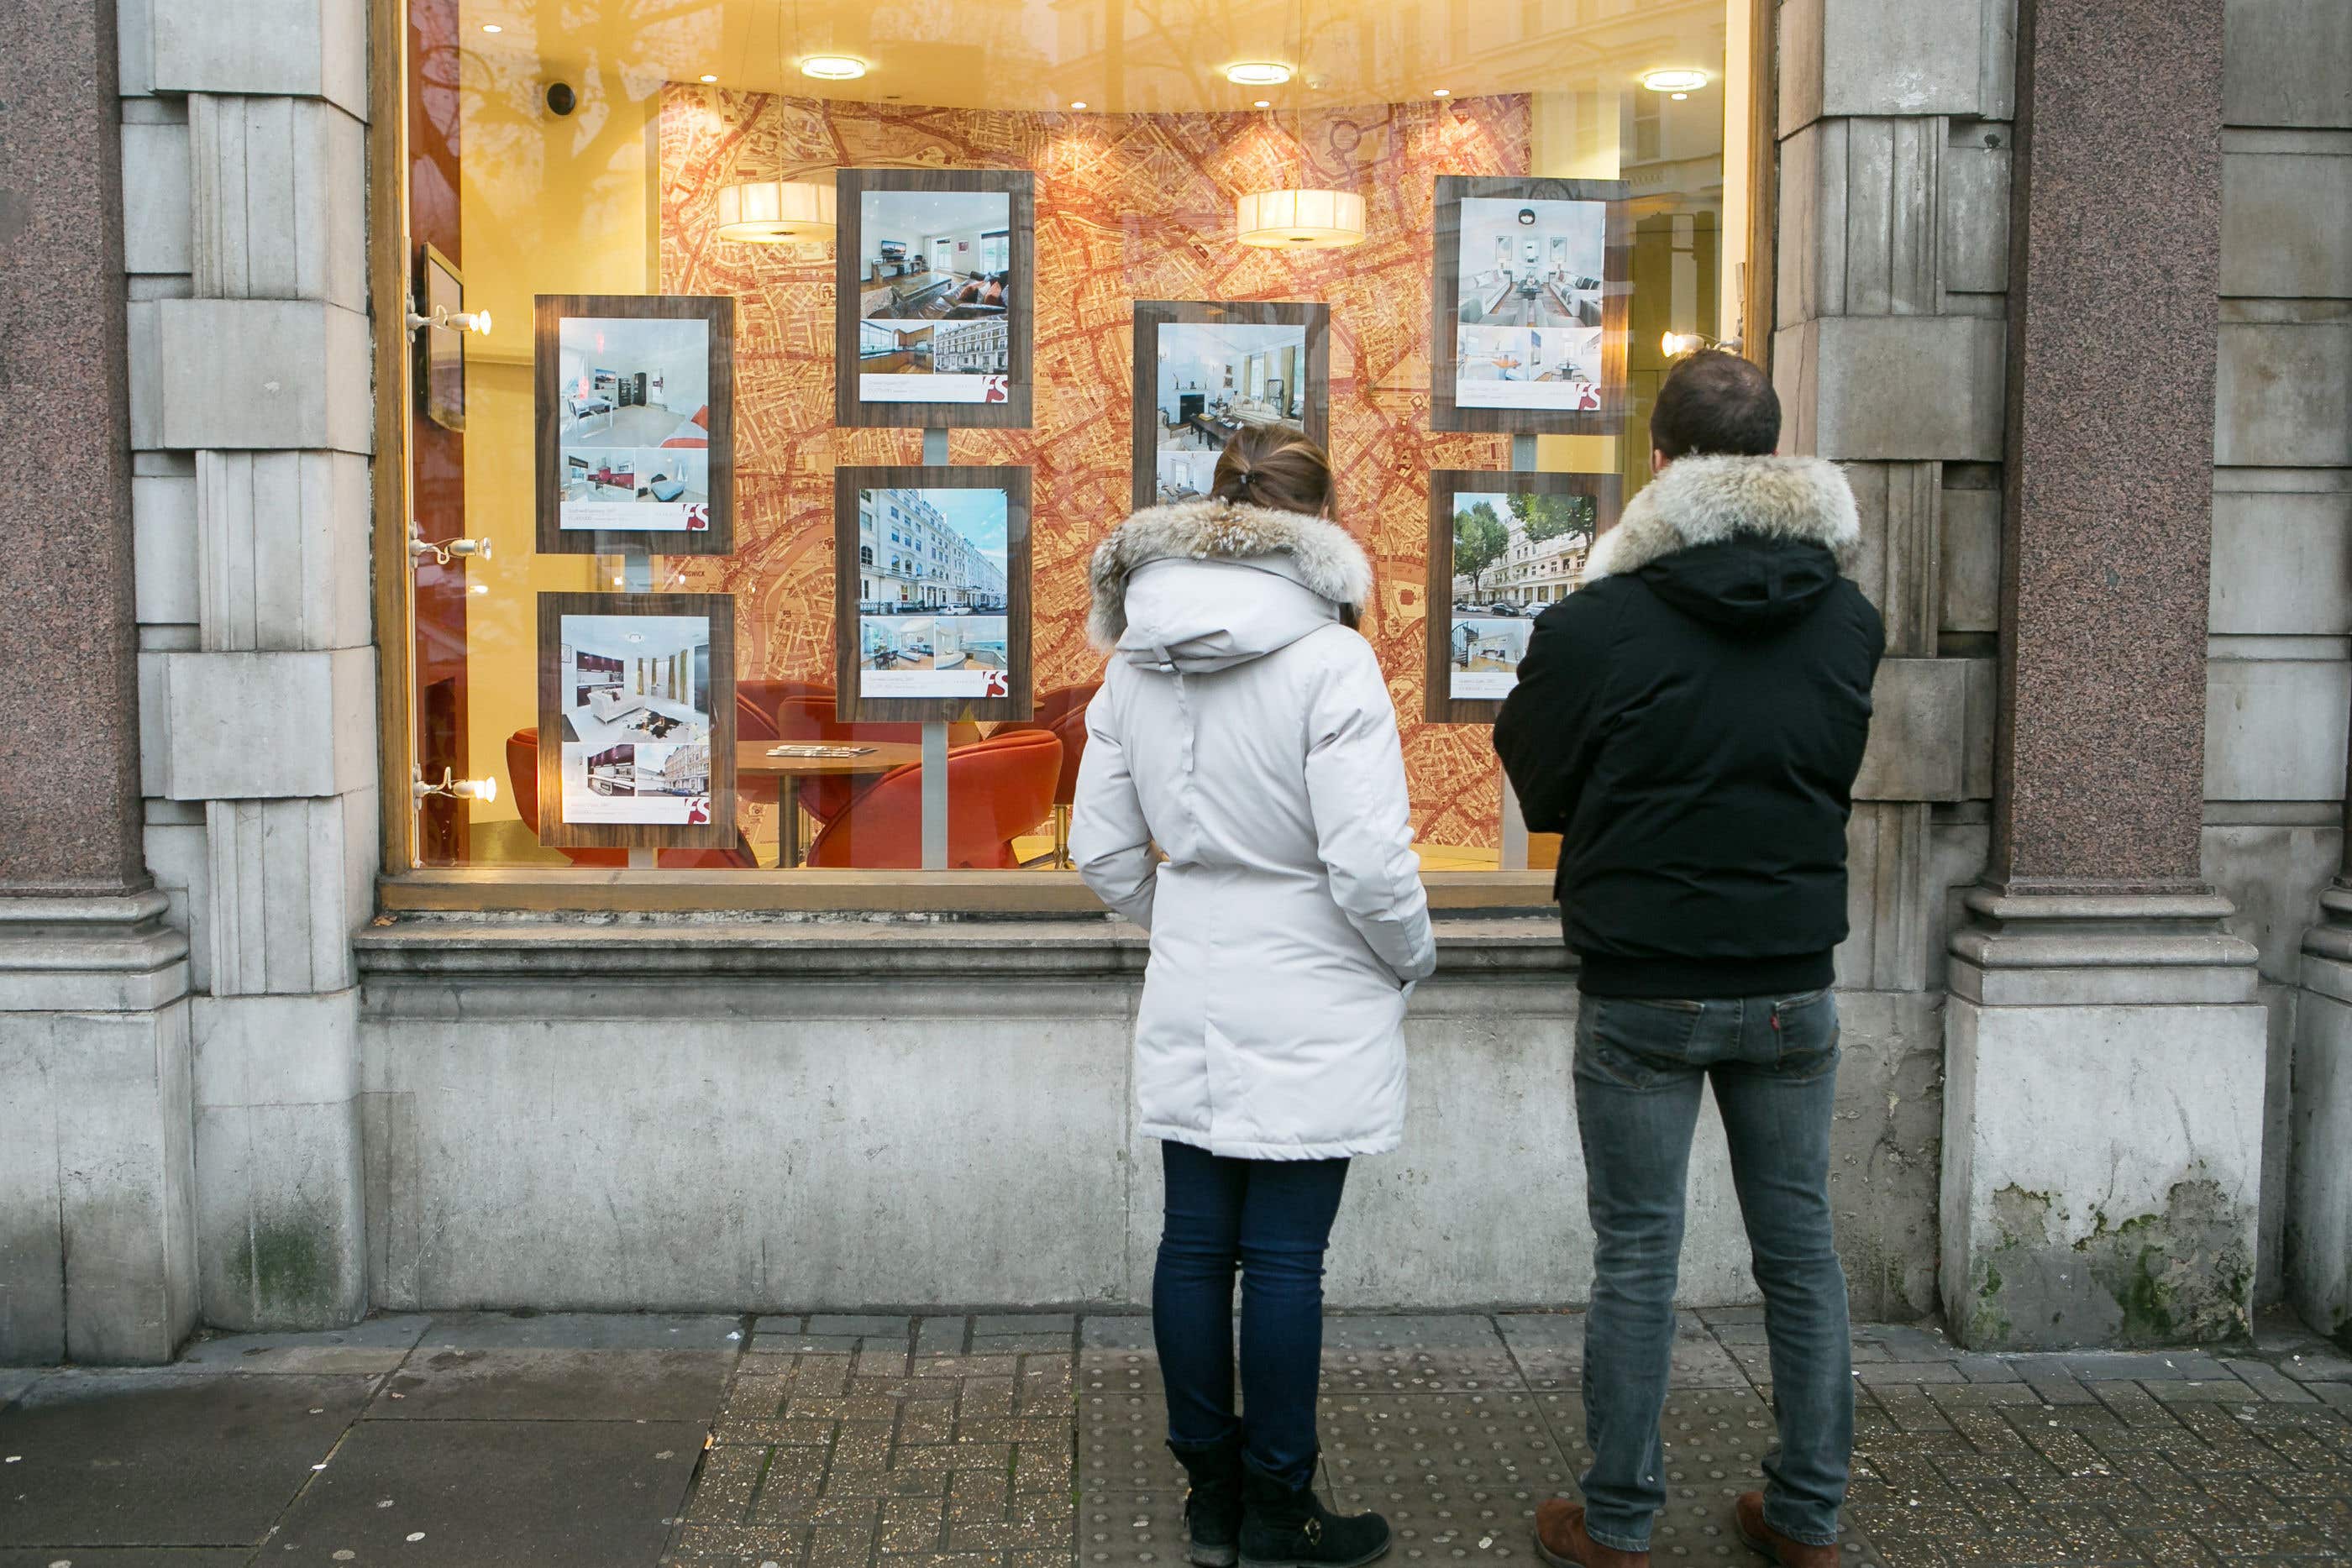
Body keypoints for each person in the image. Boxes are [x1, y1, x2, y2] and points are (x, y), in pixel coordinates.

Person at [1493, 351, 1883, 1568]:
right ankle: (1808, 1518)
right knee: (1802, 1251)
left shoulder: (1595, 624)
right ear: (1773, 457)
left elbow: (1540, 783)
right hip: (1790, 978)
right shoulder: (1848, 618)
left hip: (1643, 980)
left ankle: (1618, 1524)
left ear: (1657, 462)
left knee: (1638, 1257)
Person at [1072, 424, 1436, 1568]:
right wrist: (1409, 956)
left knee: (1192, 1244)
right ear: (1317, 525)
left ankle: (1210, 1505)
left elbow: (1103, 853)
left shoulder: (1135, 657)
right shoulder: (1331, 660)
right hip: (1317, 977)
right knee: (1283, 1259)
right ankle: (1280, 1510)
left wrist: (1185, 917)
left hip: (1194, 971)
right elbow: (1368, 864)